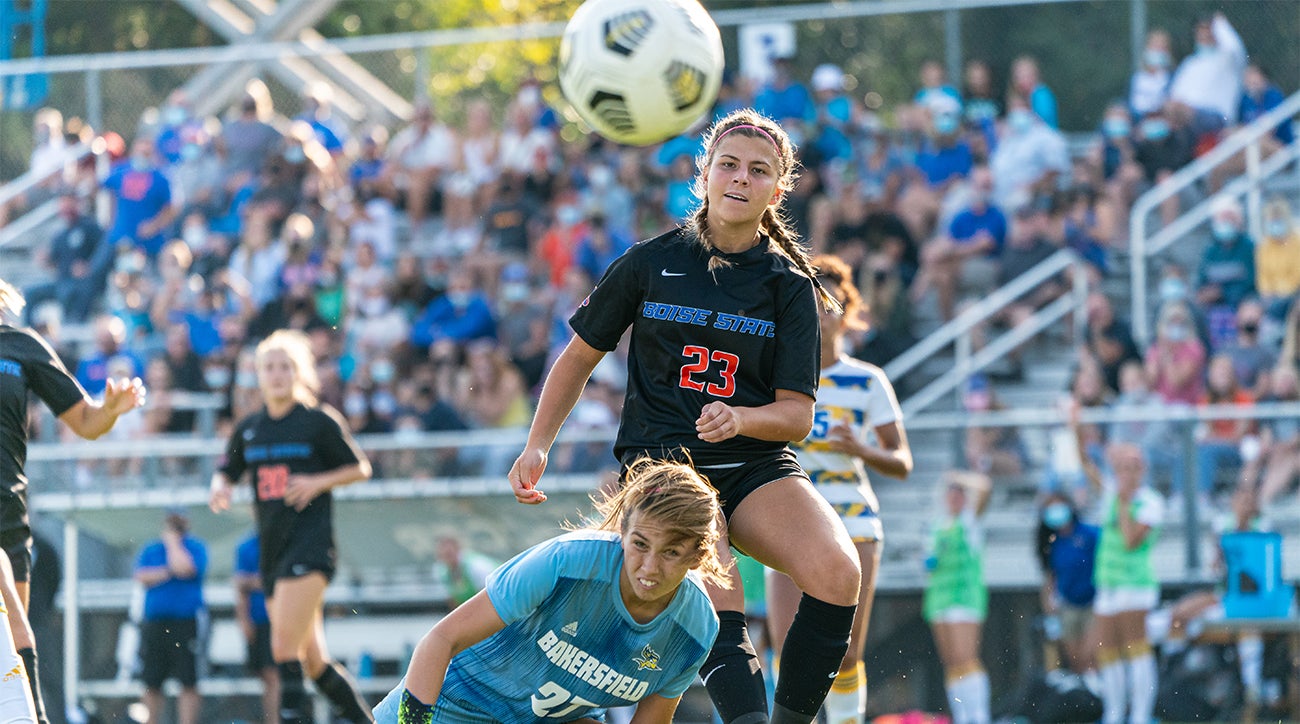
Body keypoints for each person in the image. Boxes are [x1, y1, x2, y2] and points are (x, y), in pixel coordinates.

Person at [507, 109, 862, 724]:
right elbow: (578, 358)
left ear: (777, 189)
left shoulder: (790, 285)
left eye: (758, 171)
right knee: (722, 596)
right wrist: (538, 443)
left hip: (753, 461)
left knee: (839, 571)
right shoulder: (649, 262)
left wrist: (744, 421)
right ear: (704, 173)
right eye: (727, 164)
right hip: (662, 464)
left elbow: (797, 416)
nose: (739, 178)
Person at [375, 458, 725, 722]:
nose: (649, 567)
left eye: (671, 552)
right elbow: (439, 640)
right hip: (450, 705)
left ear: (698, 555)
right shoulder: (565, 563)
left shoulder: (695, 630)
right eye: (640, 544)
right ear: (622, 531)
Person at [769, 255, 913, 724]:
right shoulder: (776, 375)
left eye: (829, 303)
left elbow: (902, 462)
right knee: (786, 646)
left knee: (846, 652)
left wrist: (863, 449)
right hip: (791, 518)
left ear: (847, 311)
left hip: (854, 517)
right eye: (810, 303)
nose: (820, 313)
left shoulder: (868, 380)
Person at [0, 279, 147, 724]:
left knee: (8, 646)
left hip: (8, 510)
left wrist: (111, 410)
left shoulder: (22, 348)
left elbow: (84, 421)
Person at [209, 329, 374, 724]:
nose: (277, 374)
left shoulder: (317, 422)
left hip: (310, 548)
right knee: (315, 664)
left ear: (299, 372)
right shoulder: (250, 428)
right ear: (258, 374)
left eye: (285, 366)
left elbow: (361, 468)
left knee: (283, 649)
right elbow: (226, 471)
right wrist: (219, 486)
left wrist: (317, 482)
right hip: (272, 552)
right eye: (269, 367)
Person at [1076, 432, 1164, 724]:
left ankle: (1140, 715)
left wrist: (1125, 503)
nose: (1125, 474)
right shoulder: (1112, 494)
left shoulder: (1150, 502)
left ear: (1142, 470)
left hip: (1135, 584)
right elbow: (1086, 464)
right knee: (1107, 651)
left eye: (1132, 467)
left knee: (1136, 648)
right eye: (1122, 468)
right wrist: (1077, 427)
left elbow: (1130, 540)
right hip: (1109, 584)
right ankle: (1113, 713)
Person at [923, 471, 993, 724]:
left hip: (964, 599)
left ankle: (979, 716)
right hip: (939, 601)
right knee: (951, 663)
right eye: (951, 493)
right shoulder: (937, 526)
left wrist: (959, 478)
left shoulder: (970, 522)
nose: (954, 497)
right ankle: (963, 716)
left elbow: (985, 487)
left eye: (959, 493)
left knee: (967, 659)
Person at [133, 510, 207, 724]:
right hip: (156, 624)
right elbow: (141, 575)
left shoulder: (195, 547)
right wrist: (169, 571)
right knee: (152, 681)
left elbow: (186, 568)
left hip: (184, 623)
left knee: (188, 681)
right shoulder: (152, 549)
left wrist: (174, 545)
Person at [1035, 494, 1099, 675]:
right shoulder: (1051, 542)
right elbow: (1049, 577)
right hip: (1069, 606)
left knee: (1091, 655)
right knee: (1075, 660)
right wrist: (1049, 611)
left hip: (1094, 604)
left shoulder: (1090, 534)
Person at [234, 533, 278, 724]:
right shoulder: (246, 546)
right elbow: (239, 586)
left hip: (278, 621)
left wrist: (254, 581)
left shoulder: (285, 540)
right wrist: (243, 620)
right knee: (265, 677)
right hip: (258, 621)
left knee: (273, 676)